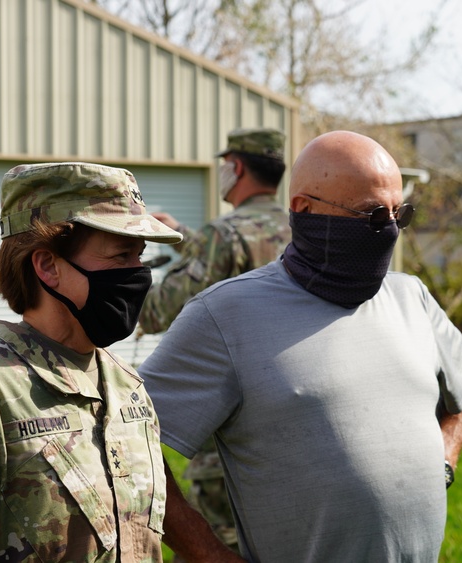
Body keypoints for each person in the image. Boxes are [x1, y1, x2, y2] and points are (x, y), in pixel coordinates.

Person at [139, 131, 462, 562]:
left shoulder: (410, 296)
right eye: (373, 216)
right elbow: (131, 439)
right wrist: (208, 554)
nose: (390, 230)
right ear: (304, 210)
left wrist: (446, 454)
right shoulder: (223, 314)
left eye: (401, 214)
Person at [0, 162, 238, 562]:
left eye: (140, 257)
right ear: (48, 266)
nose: (139, 275)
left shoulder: (126, 386)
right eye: (121, 256)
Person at [137, 127, 291, 556]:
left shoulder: (223, 236)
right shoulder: (302, 228)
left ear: (235, 166)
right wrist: (189, 239)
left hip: (230, 437)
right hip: (295, 428)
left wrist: (121, 264)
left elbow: (156, 310)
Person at [138, 127, 290, 334]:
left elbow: (156, 315)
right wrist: (181, 234)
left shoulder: (222, 233)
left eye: (224, 163)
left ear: (237, 168)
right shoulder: (297, 227)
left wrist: (123, 269)